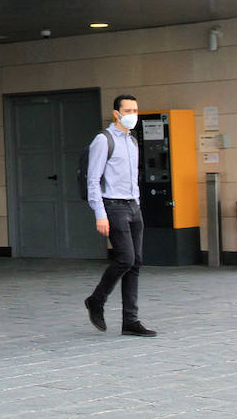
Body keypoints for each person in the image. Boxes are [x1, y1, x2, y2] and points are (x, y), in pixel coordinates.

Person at [83, 95, 157, 337]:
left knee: (135, 263)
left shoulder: (132, 142)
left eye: (135, 109)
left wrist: (138, 203)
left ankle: (130, 320)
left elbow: (132, 177)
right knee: (125, 259)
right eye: (127, 110)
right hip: (113, 206)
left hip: (133, 206)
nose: (132, 114)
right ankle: (96, 300)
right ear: (116, 113)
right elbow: (93, 180)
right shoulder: (103, 140)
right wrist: (100, 214)